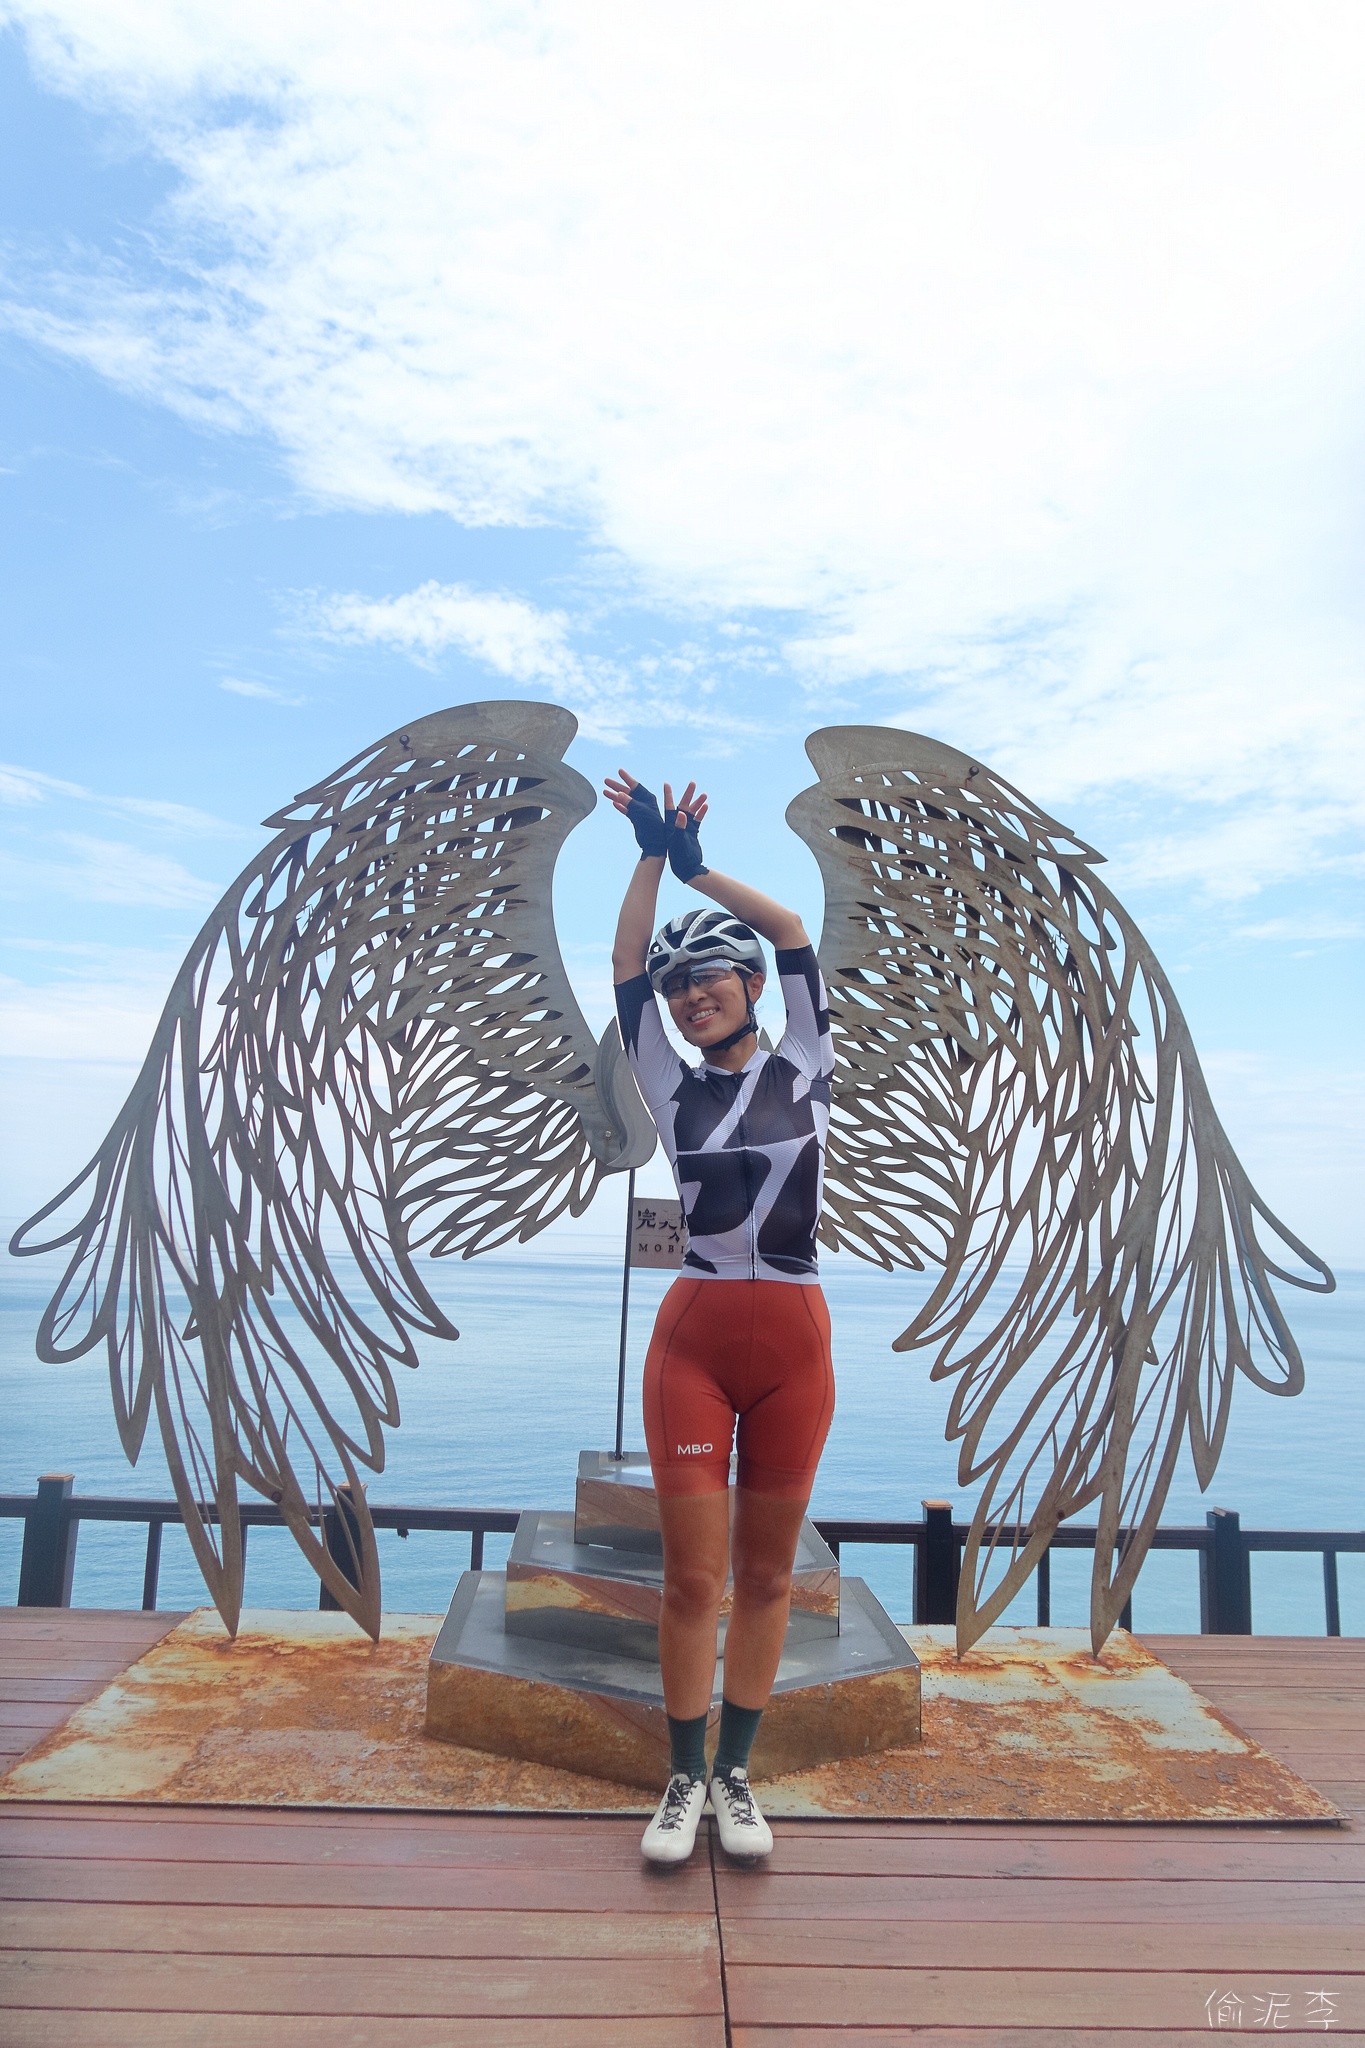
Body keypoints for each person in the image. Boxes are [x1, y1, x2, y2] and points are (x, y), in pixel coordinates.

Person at [606, 768, 836, 1865]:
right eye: (678, 985)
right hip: (693, 1339)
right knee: (693, 1578)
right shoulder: (668, 1081)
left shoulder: (807, 1061)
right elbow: (622, 967)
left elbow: (791, 928)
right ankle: (681, 1777)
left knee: (770, 1577)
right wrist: (651, 858)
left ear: (749, 985)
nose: (690, 994)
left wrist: (701, 870)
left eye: (708, 977)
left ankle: (737, 1775)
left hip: (794, 1339)